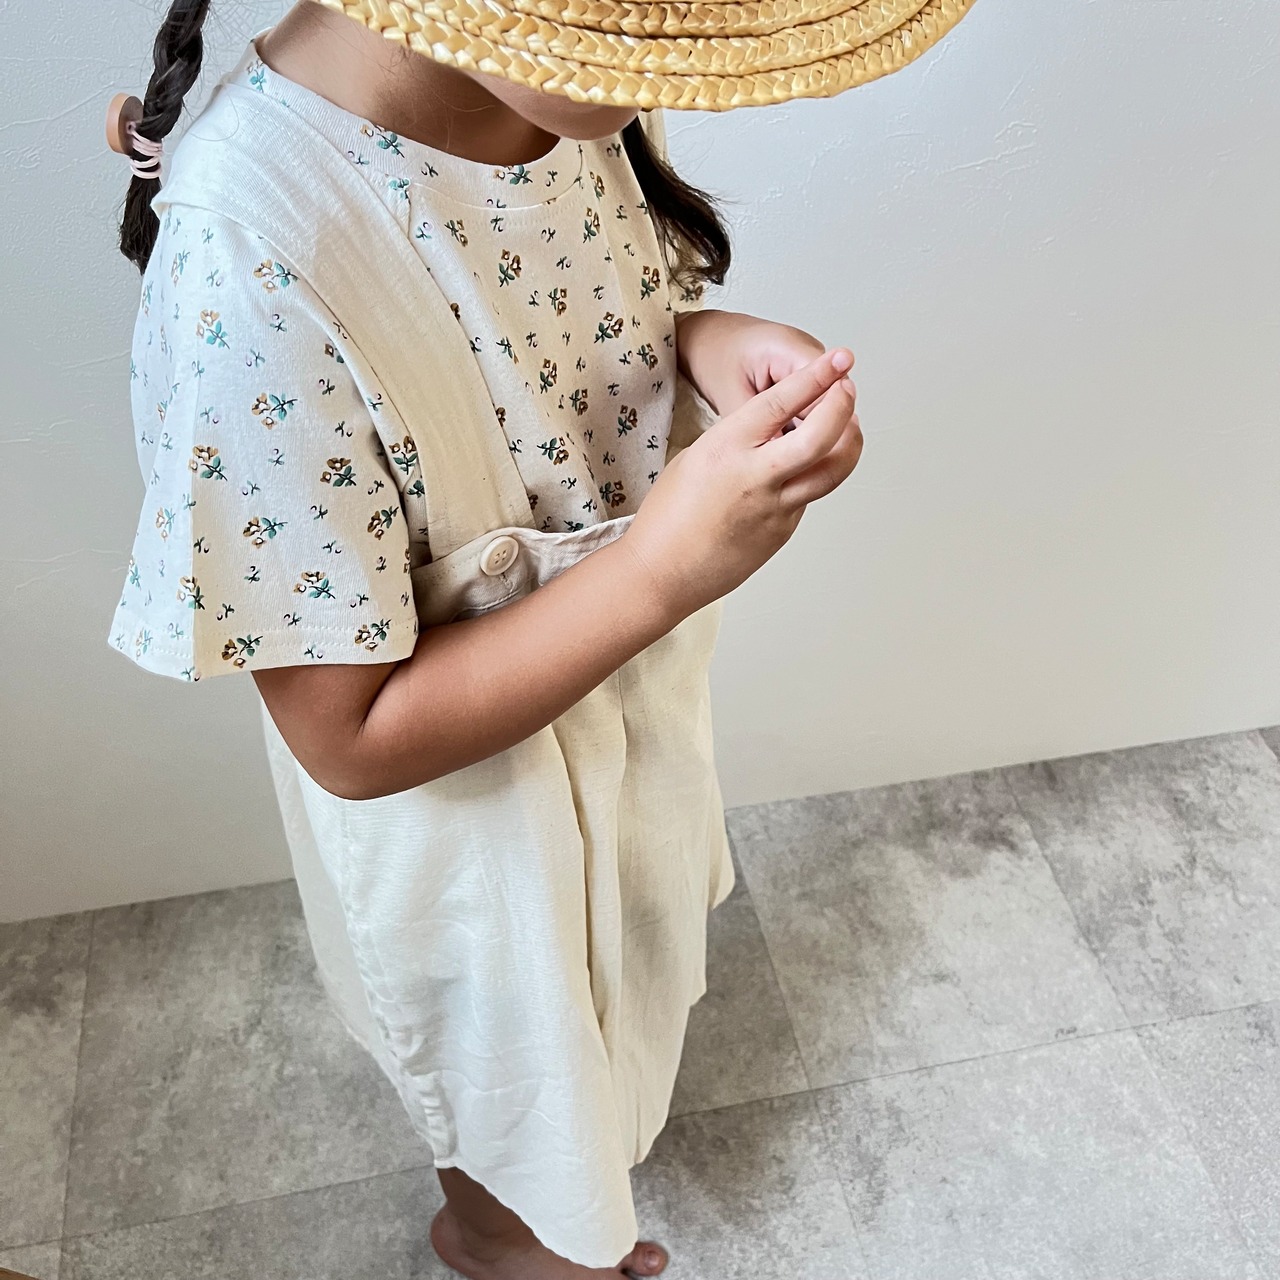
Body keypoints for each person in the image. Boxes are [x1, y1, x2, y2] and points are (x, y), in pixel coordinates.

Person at [103, 0, 977, 1272]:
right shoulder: (252, 258)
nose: (660, 52)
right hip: (462, 823)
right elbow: (348, 736)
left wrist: (704, 345)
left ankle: (529, 1216)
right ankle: (501, 1238)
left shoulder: (559, 75)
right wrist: (658, 571)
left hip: (615, 724)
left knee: (605, 991)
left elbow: (575, 328)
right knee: (506, 1065)